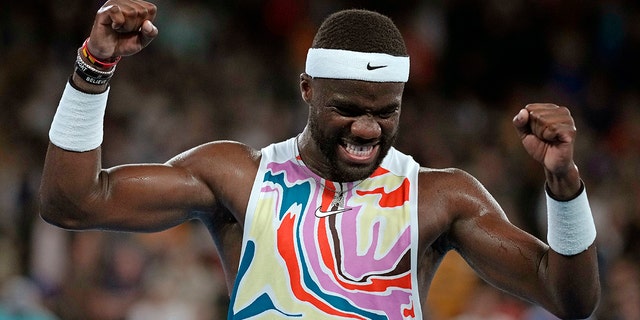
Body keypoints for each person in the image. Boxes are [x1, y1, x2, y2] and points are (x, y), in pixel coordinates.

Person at [39, 0, 600, 319]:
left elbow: (570, 299)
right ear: (306, 88)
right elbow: (72, 202)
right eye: (348, 109)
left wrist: (565, 185)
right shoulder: (237, 176)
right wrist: (94, 68)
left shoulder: (440, 197)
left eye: (385, 112)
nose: (366, 128)